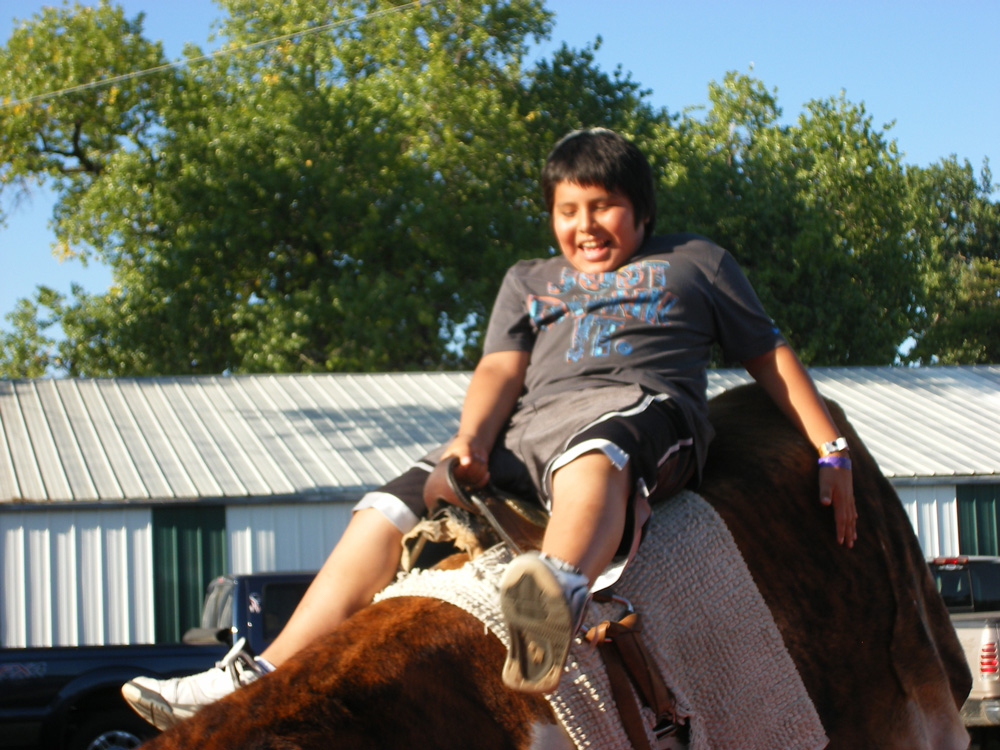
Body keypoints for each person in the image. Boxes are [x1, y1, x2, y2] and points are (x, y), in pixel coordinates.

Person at [123, 128, 856, 728]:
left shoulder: (696, 263)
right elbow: (501, 372)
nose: (585, 226)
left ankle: (554, 598)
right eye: (568, 210)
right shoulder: (526, 279)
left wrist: (830, 448)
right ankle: (258, 674)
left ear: (642, 211)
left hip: (641, 408)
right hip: (529, 427)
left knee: (597, 450)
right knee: (389, 505)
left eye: (603, 207)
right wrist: (469, 443)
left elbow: (769, 355)